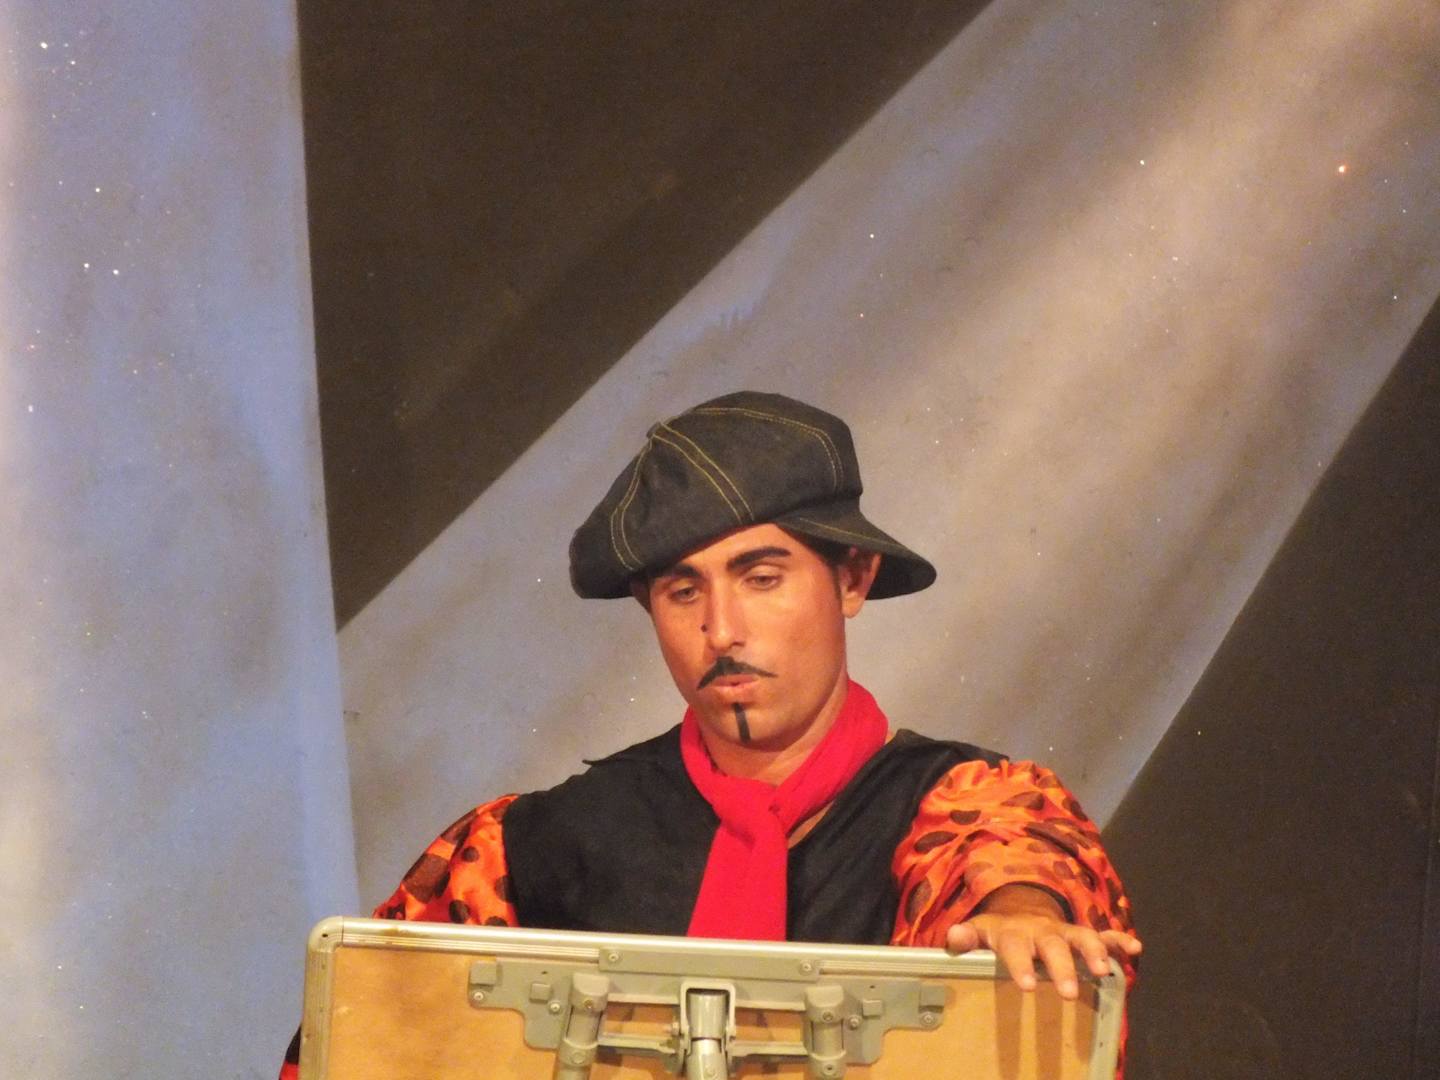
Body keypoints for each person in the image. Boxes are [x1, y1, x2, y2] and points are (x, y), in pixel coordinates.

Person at [280, 390, 1139, 1078]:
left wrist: (1022, 916)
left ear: (852, 579)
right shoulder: (536, 845)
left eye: (761, 578)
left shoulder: (957, 805)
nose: (721, 629)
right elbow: (366, 1026)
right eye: (683, 592)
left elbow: (1014, 859)